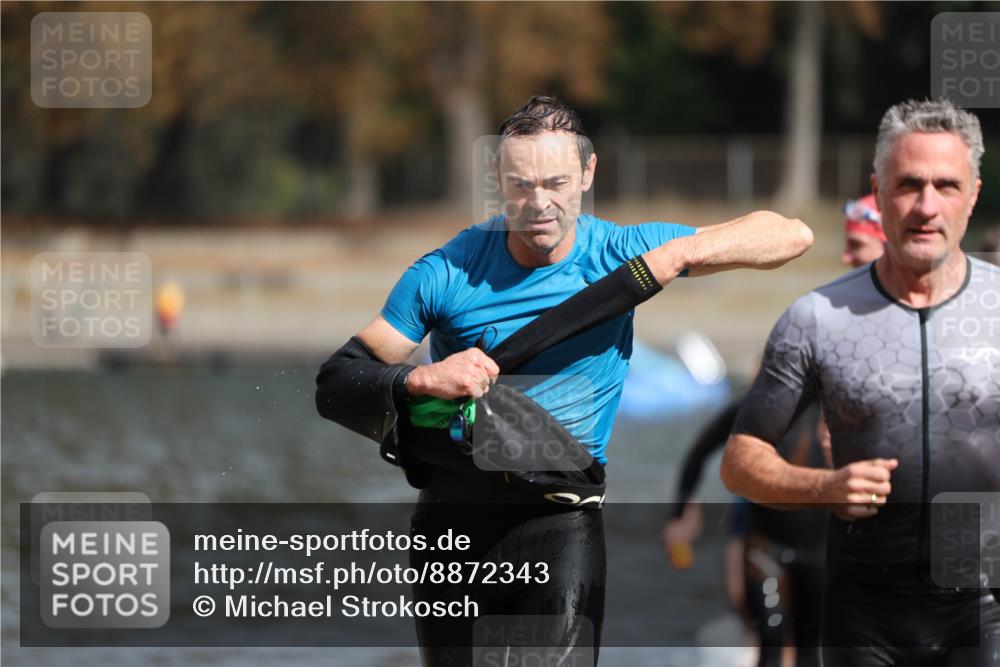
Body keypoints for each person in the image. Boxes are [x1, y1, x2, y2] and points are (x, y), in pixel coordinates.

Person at [316, 95, 813, 665]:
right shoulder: (448, 271)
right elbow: (338, 380)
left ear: (587, 172)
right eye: (521, 185)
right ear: (498, 180)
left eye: (556, 182)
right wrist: (423, 377)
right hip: (451, 526)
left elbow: (790, 234)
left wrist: (682, 253)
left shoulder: (620, 254)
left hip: (559, 525)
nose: (540, 204)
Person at [721, 99, 1000, 666]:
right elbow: (739, 461)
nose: (926, 206)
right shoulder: (819, 318)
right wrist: (823, 487)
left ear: (973, 193)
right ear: (878, 188)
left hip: (985, 608)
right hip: (863, 614)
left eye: (946, 186)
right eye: (908, 184)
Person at [664, 204, 885, 667]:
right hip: (764, 542)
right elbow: (701, 452)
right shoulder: (755, 405)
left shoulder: (837, 396)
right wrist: (680, 513)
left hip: (821, 546)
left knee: (809, 648)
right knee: (768, 640)